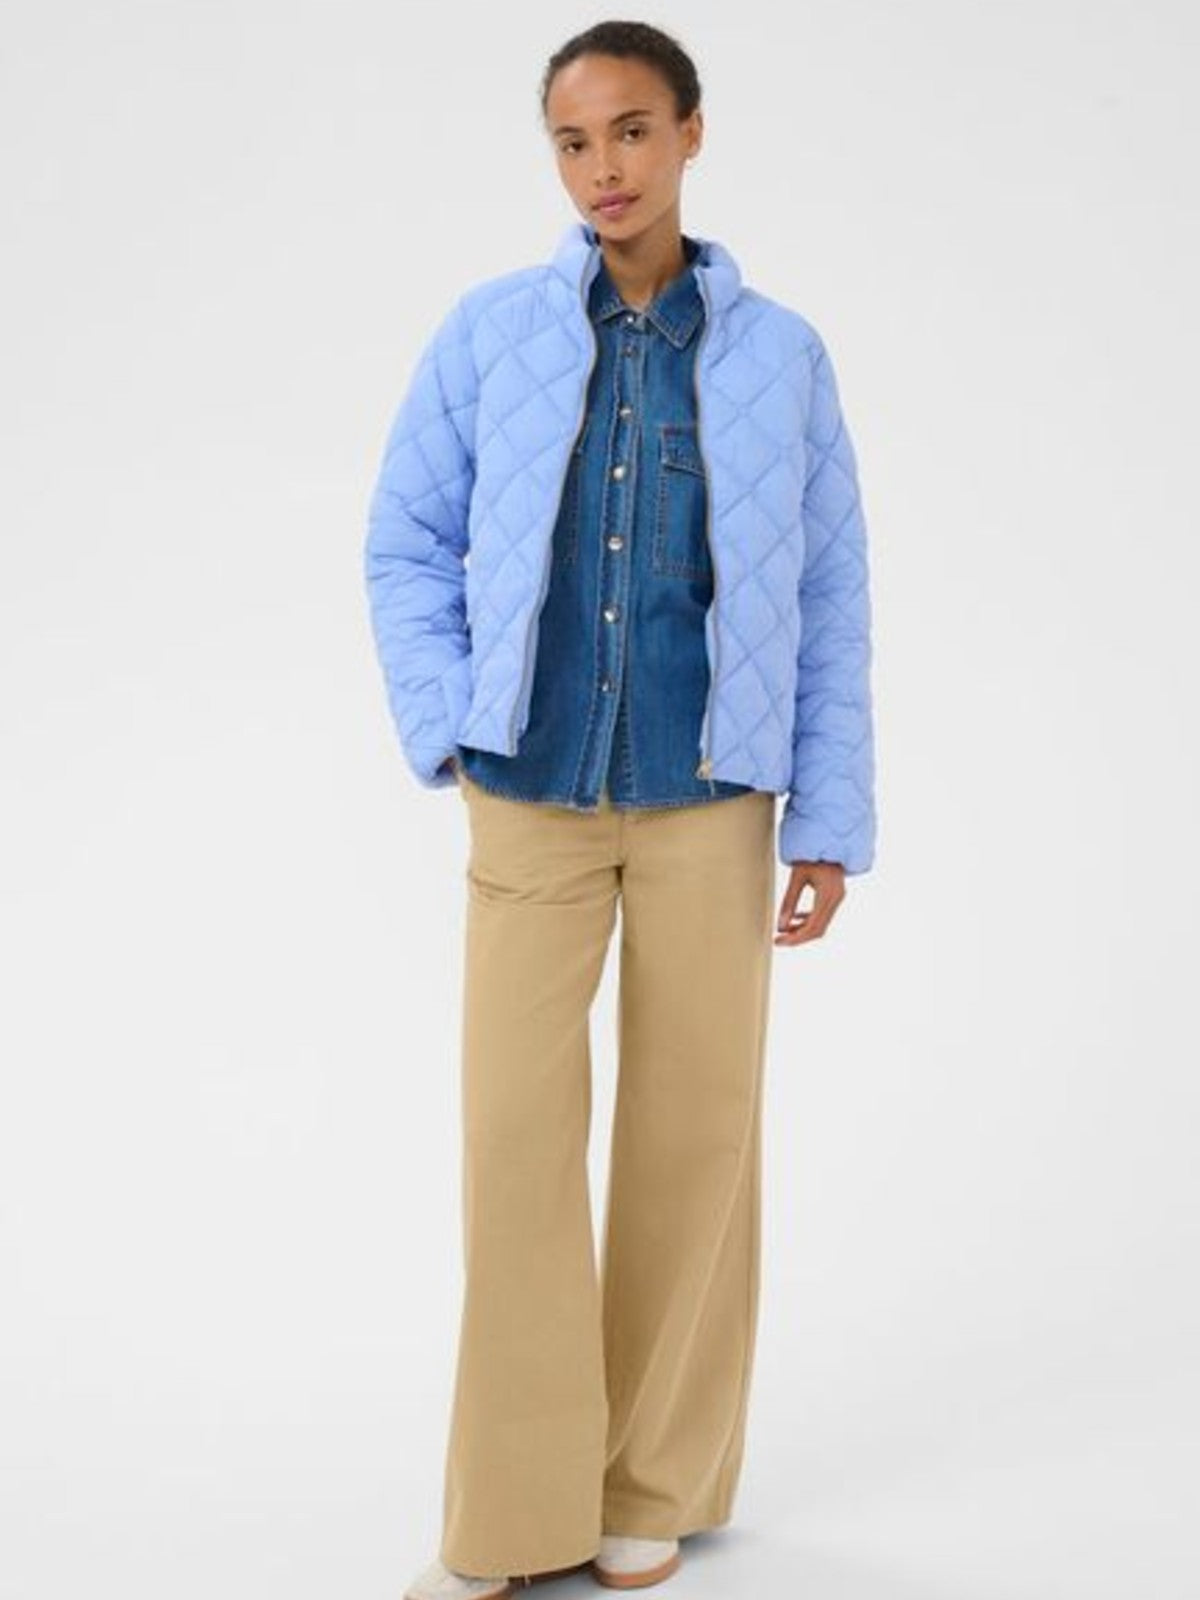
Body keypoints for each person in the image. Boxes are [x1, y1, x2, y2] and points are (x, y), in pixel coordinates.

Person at [363, 21, 877, 1600]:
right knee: (514, 1144)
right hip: (529, 795)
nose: (605, 169)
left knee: (694, 1138)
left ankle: (654, 1480)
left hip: (711, 801)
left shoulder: (783, 355)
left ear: (692, 133)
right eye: (576, 142)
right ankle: (514, 1513)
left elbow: (832, 595)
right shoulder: (490, 331)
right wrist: (448, 726)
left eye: (634, 131)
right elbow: (404, 540)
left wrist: (828, 817)